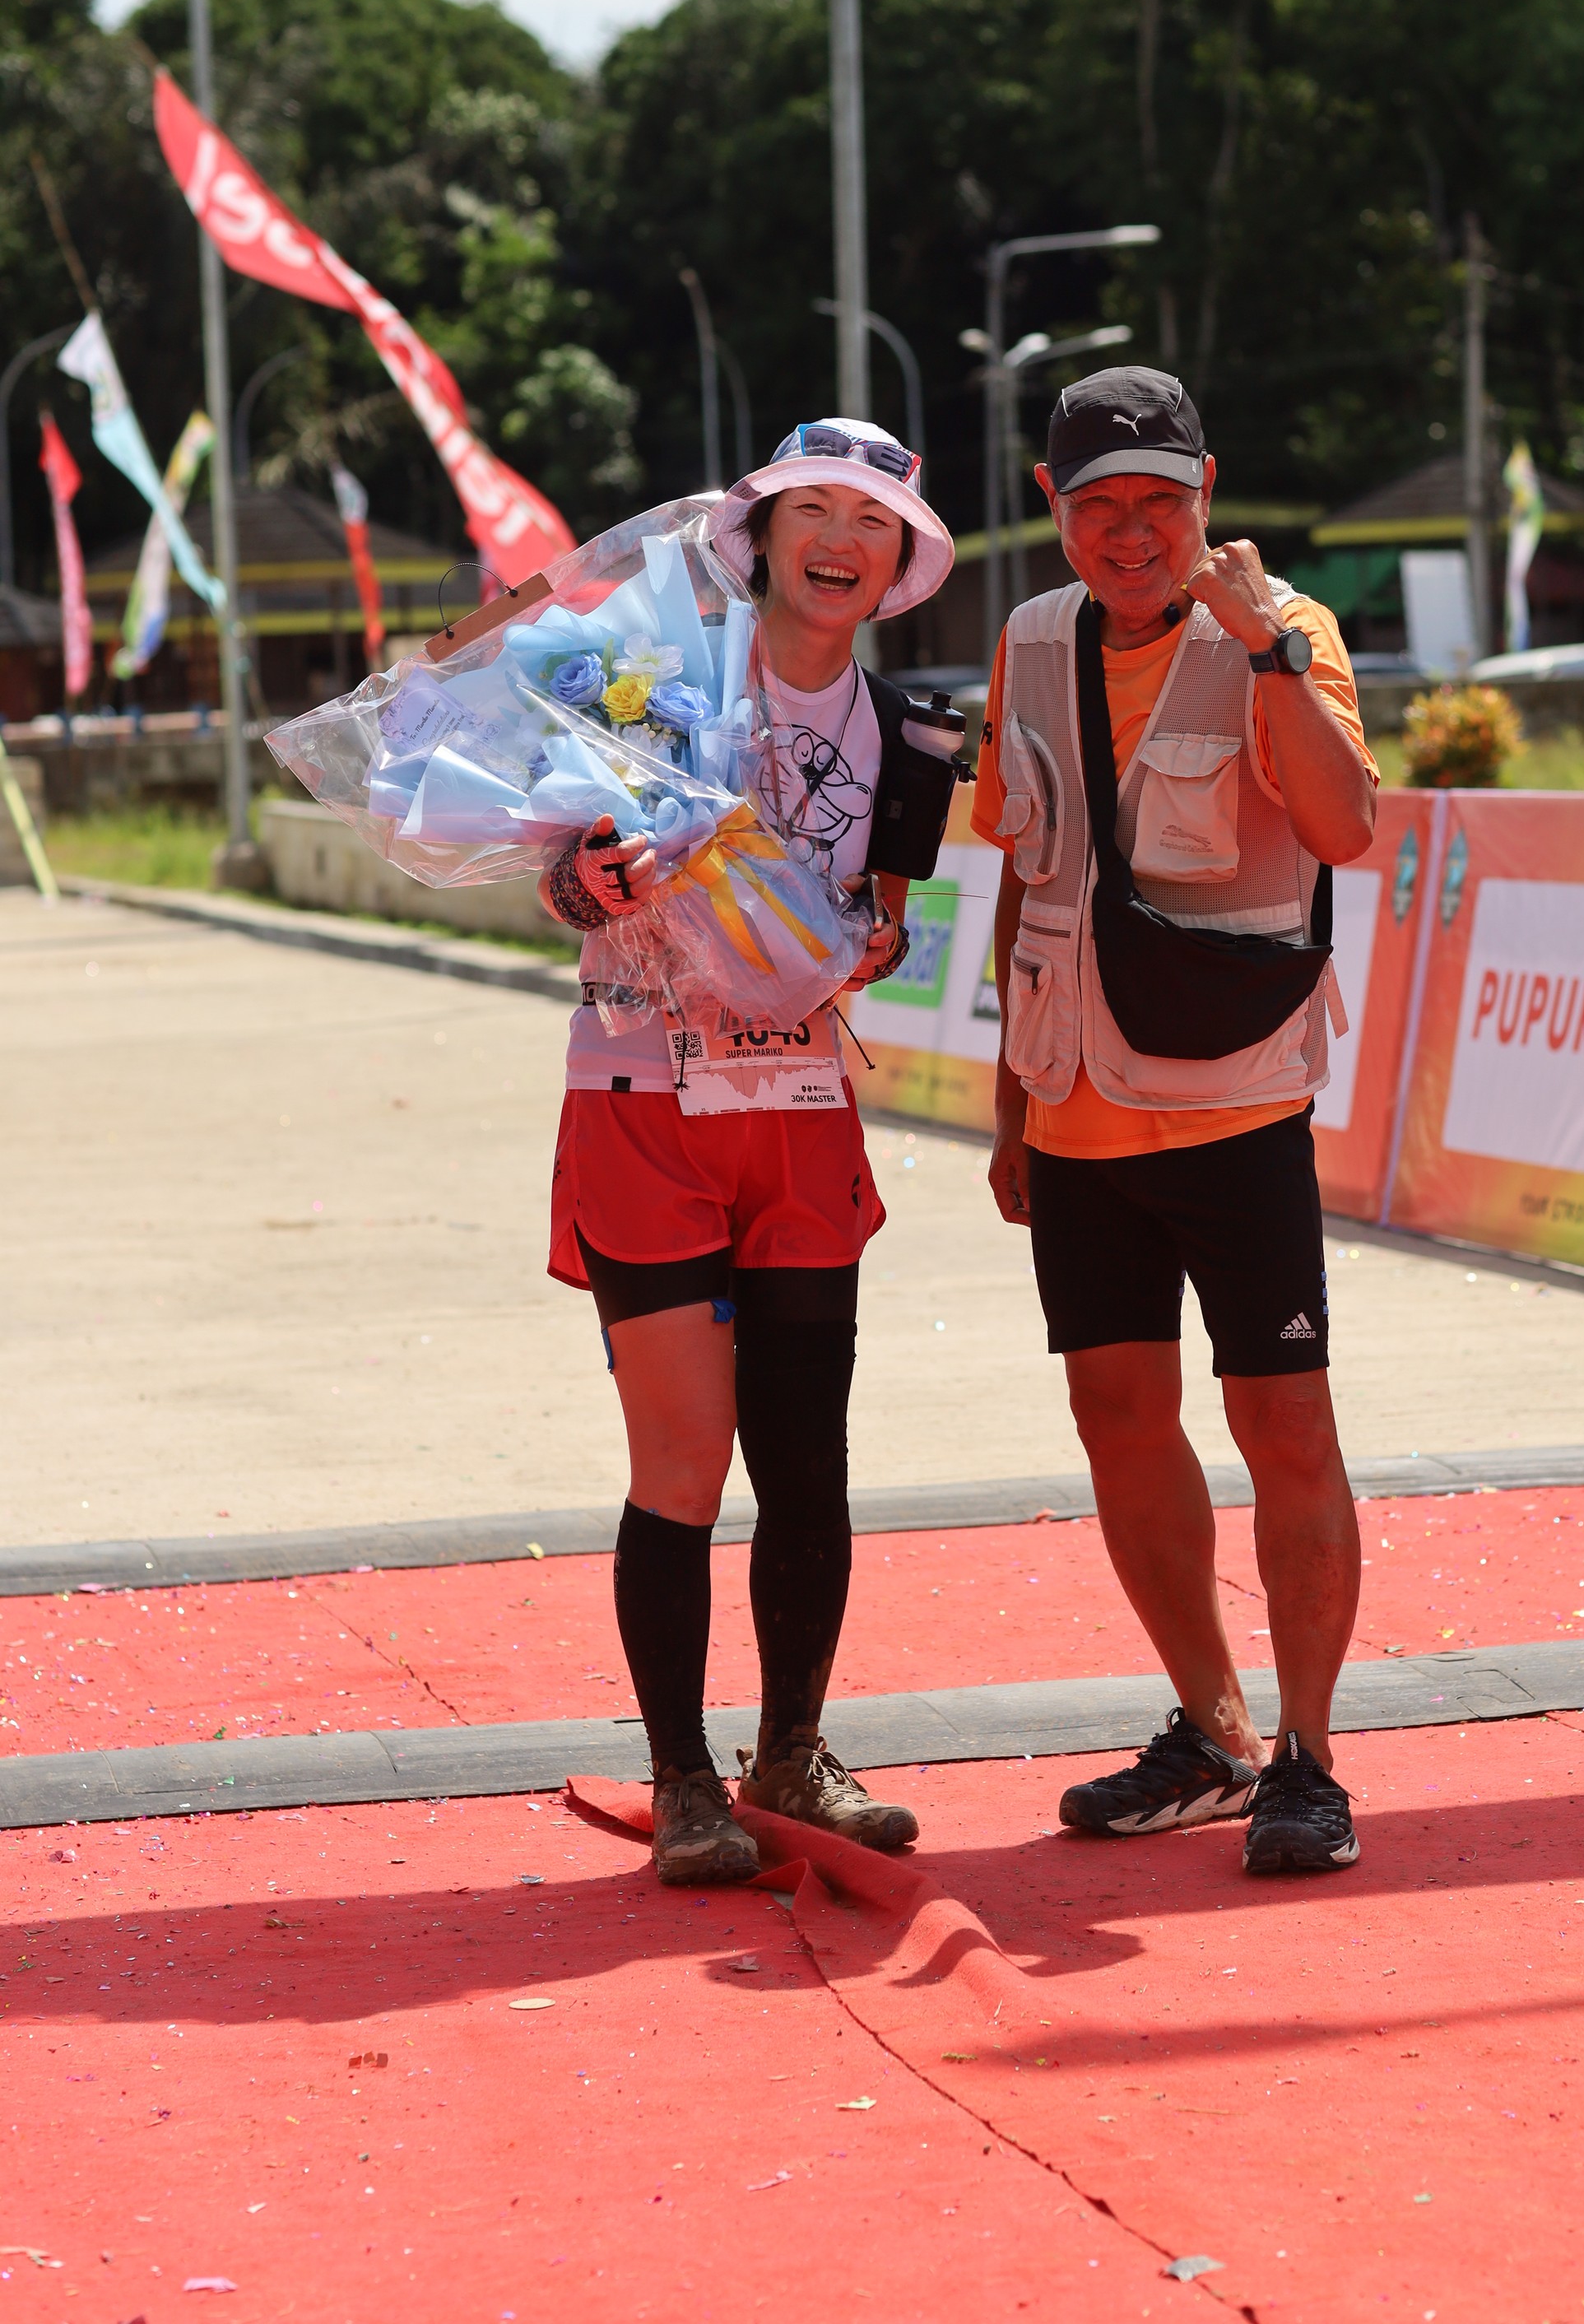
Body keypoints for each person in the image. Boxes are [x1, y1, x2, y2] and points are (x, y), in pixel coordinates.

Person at [973, 365, 1377, 1875]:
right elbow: (1027, 871)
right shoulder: (1029, 639)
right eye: (1101, 506)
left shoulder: (1287, 628)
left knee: (1285, 1423)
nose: (1132, 533)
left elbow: (1345, 828)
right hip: (1075, 1107)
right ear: (1052, 507)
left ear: (1207, 491)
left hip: (1235, 1101)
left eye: (1161, 501)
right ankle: (1211, 1733)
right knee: (1119, 1421)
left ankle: (1309, 1760)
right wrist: (1011, 1106)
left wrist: (1265, 648)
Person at [541, 422, 955, 1886]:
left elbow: (887, 923)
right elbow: (560, 878)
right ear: (761, 536)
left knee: (806, 1464)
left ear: (900, 564)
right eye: (815, 511)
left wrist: (873, 944)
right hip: (644, 1098)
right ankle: (681, 1784)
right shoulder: (646, 682)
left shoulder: (915, 738)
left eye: (874, 521)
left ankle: (792, 1752)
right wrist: (586, 882)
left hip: (797, 1111)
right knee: (681, 1463)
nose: (842, 540)